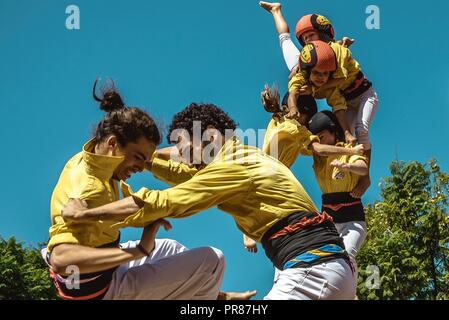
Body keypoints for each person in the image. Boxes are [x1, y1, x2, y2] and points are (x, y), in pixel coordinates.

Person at [62, 102, 356, 300]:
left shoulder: (233, 166)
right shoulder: (246, 157)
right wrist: (146, 161)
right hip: (325, 271)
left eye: (181, 146)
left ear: (210, 135)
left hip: (313, 272)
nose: (181, 156)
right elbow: (187, 179)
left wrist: (89, 214)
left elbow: (168, 201)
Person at [44, 80, 254, 300]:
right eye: (138, 158)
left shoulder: (97, 156)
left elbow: (161, 162)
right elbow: (61, 260)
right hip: (96, 292)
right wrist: (138, 251)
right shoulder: (89, 188)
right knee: (213, 261)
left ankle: (212, 294)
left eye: (143, 160)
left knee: (170, 248)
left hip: (106, 270)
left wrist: (181, 154)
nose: (139, 167)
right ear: (114, 142)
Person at [288, 40, 378, 197]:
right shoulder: (301, 77)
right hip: (348, 102)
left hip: (365, 95)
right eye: (316, 73)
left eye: (325, 74)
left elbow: (338, 107)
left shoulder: (329, 85)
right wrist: (293, 108)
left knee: (360, 130)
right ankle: (345, 174)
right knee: (345, 140)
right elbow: (293, 93)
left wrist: (314, 88)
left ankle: (365, 177)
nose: (321, 77)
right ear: (308, 72)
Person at [306, 111, 368, 273]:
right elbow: (313, 147)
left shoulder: (347, 150)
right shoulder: (318, 156)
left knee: (346, 256)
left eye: (322, 136)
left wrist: (348, 166)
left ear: (334, 132)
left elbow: (363, 168)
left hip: (352, 221)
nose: (319, 141)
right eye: (316, 138)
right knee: (322, 262)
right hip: (329, 222)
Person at [259, 2, 354, 72]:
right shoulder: (302, 61)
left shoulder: (333, 47)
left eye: (311, 35)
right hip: (305, 71)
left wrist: (343, 42)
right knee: (285, 39)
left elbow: (335, 44)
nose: (308, 39)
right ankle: (276, 11)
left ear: (322, 35)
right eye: (305, 38)